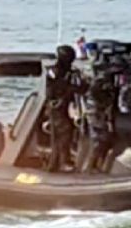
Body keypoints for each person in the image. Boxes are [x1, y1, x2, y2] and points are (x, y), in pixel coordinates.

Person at [45, 44, 86, 172]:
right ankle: (62, 162)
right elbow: (60, 87)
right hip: (57, 106)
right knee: (63, 132)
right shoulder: (55, 71)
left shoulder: (66, 71)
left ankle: (56, 163)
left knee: (63, 133)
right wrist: (78, 89)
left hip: (64, 105)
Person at [82, 60, 119, 173]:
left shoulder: (104, 85)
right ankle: (90, 167)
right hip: (96, 116)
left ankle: (98, 166)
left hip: (102, 116)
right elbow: (98, 101)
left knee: (105, 141)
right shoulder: (98, 85)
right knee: (98, 141)